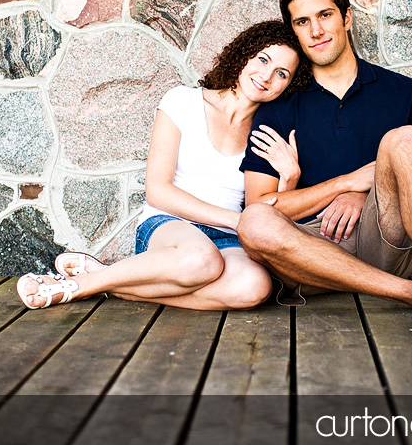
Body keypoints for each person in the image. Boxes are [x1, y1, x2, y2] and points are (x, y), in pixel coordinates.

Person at [237, 0, 412, 341]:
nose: (315, 30)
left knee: (406, 139)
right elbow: (260, 207)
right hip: (310, 257)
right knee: (253, 224)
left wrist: (362, 195)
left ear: (346, 18)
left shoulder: (403, 92)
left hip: (385, 238)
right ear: (294, 31)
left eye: (325, 15)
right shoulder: (277, 107)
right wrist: (345, 183)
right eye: (302, 21)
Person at [17, 21, 311, 312]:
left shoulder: (267, 133)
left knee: (254, 286)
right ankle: (78, 287)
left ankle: (108, 281)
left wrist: (290, 177)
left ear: (288, 86)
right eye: (263, 59)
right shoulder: (183, 101)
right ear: (245, 54)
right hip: (169, 225)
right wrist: (235, 221)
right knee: (201, 259)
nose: (267, 76)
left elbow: (264, 207)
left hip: (229, 239)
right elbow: (157, 192)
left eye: (281, 73)